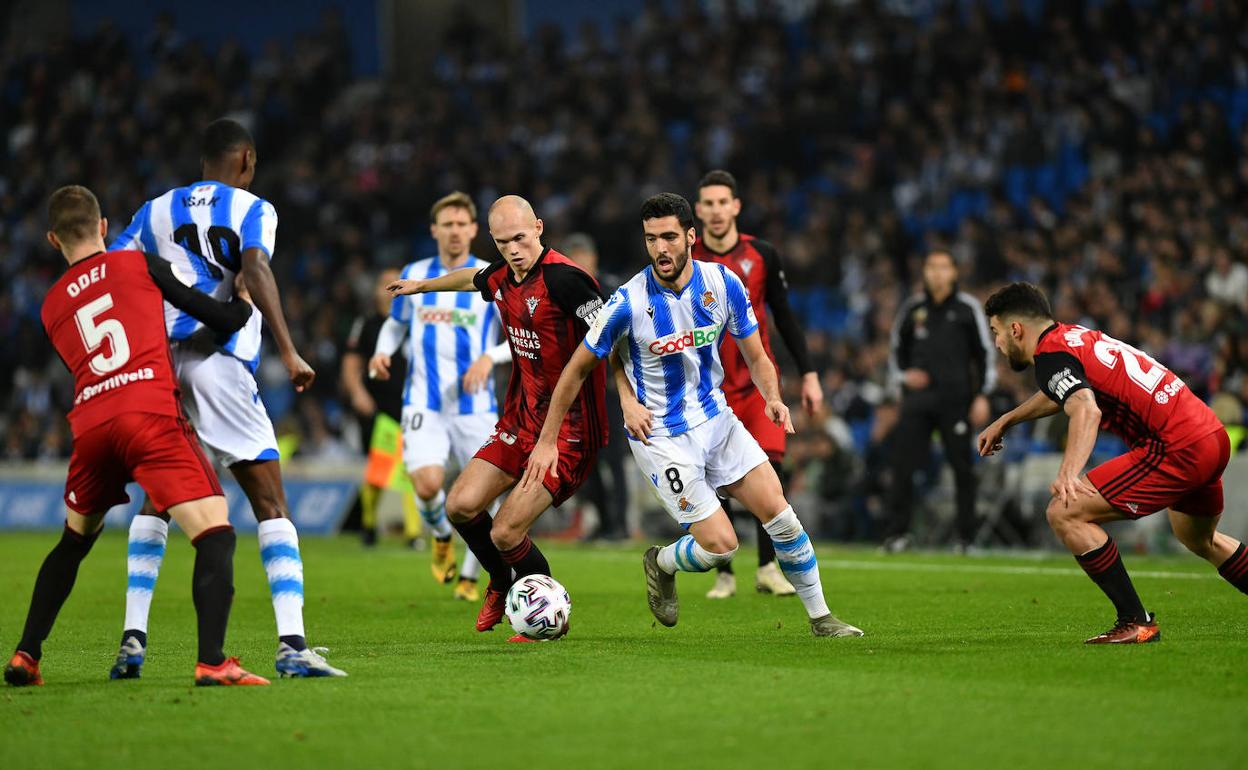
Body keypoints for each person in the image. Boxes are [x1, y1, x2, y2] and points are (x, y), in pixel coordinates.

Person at [524, 192, 862, 638]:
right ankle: (661, 561)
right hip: (660, 436)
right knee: (721, 547)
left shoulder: (723, 284)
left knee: (782, 516)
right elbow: (575, 371)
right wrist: (549, 439)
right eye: (651, 239)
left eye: (668, 237)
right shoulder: (627, 301)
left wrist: (773, 397)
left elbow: (758, 356)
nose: (660, 249)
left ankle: (822, 619)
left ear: (690, 236)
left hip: (716, 419)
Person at [107, 118, 345, 678]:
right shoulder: (254, 209)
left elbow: (114, 268)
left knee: (160, 498)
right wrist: (289, 351)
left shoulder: (154, 209)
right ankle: (292, 644)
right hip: (220, 365)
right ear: (246, 161)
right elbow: (256, 267)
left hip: (160, 368)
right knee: (270, 503)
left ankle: (132, 641)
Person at [5, 186, 266, 687]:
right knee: (216, 534)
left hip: (92, 425)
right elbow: (215, 317)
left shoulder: (51, 305)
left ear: (52, 239)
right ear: (104, 227)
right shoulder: (138, 264)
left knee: (73, 542)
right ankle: (213, 661)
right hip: (149, 414)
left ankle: (26, 654)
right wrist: (242, 303)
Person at [386, 195, 608, 640]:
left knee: (506, 531)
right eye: (504, 242)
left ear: (539, 228)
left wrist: (633, 401)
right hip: (520, 423)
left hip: (569, 434)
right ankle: (500, 581)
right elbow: (474, 277)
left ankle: (549, 620)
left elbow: (611, 338)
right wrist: (423, 287)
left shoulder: (567, 281)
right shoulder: (504, 275)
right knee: (460, 505)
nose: (514, 249)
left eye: (521, 238)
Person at [978, 282, 1245, 643]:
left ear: (1015, 329)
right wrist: (1006, 420)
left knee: (1064, 511)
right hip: (1209, 434)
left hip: (1174, 445)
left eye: (995, 332)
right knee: (1200, 539)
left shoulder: (1050, 356)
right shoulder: (1073, 337)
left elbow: (1085, 407)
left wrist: (1069, 472)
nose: (996, 343)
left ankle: (1135, 621)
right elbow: (1064, 391)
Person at [368, 192, 512, 603]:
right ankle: (440, 536)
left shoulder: (491, 274)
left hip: (476, 405)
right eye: (446, 224)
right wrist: (383, 350)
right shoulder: (416, 272)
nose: (454, 231)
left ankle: (473, 575)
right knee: (428, 485)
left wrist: (489, 355)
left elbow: (518, 335)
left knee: (487, 495)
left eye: (461, 224)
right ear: (435, 230)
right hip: (424, 402)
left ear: (472, 230)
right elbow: (396, 325)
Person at [691, 169, 822, 598]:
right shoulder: (688, 262)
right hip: (709, 391)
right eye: (707, 203)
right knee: (715, 478)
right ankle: (724, 573)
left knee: (770, 467)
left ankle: (768, 568)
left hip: (757, 388)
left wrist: (809, 373)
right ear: (698, 210)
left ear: (735, 207)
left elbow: (783, 316)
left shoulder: (762, 255)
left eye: (721, 202)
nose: (715, 211)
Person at [883, 251, 995, 552]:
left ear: (955, 272)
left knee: (962, 468)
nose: (937, 273)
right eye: (931, 267)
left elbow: (985, 354)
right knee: (903, 465)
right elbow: (895, 352)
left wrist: (983, 394)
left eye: (943, 267)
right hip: (918, 400)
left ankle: (966, 539)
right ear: (924, 272)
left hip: (956, 400)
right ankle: (898, 534)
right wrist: (905, 378)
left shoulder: (967, 308)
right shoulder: (913, 308)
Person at [341, 267, 423, 549]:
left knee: (410, 467)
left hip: (412, 405)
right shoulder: (366, 323)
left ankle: (411, 532)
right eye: (384, 284)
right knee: (379, 470)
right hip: (378, 408)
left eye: (395, 283)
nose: (390, 289)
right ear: (376, 290)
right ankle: (371, 524)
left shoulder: (415, 322)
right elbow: (351, 363)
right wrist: (358, 393)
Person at [562, 233, 630, 541]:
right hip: (578, 388)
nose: (580, 263)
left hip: (608, 388)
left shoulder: (611, 289)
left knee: (614, 460)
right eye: (574, 258)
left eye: (584, 257)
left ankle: (620, 525)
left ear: (594, 259)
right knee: (586, 462)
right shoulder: (563, 290)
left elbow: (625, 335)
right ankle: (603, 522)